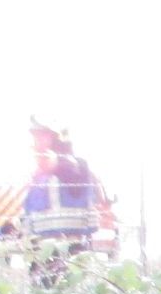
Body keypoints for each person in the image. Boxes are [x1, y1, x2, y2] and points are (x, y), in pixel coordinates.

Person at [22, 119, 101, 282]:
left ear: (56, 138)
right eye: (35, 138)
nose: (36, 143)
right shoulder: (40, 175)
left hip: (68, 248)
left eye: (42, 137)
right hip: (44, 248)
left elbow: (49, 162)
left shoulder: (70, 164)